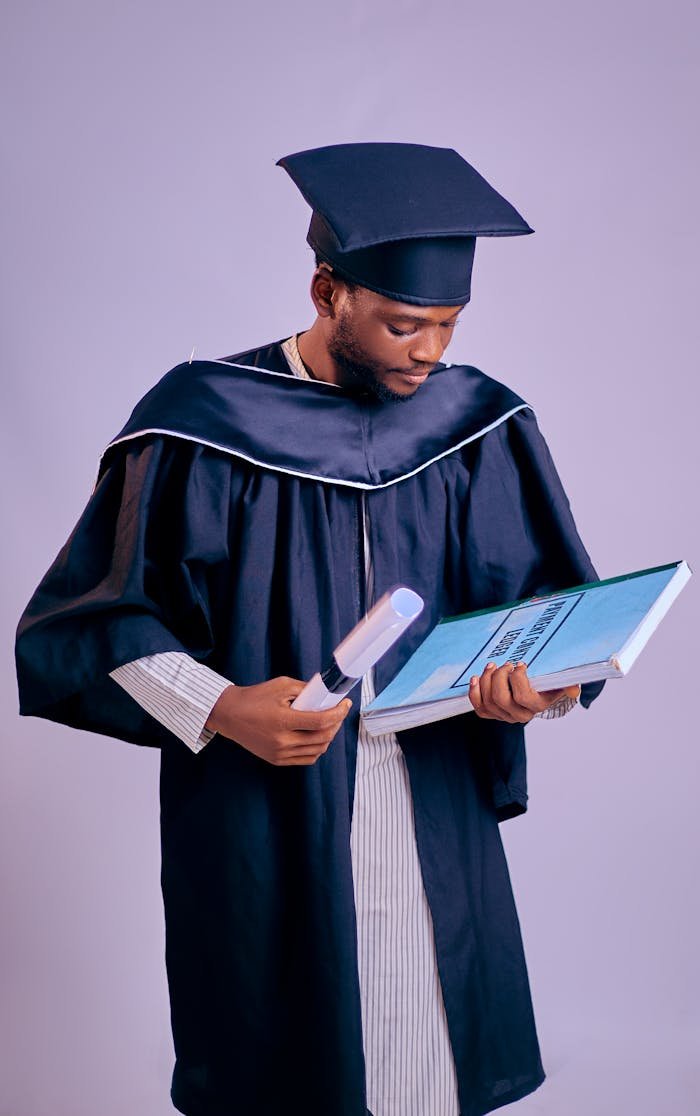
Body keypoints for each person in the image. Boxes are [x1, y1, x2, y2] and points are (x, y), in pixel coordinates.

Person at [16, 142, 603, 1116]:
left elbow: (544, 609)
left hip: (433, 805)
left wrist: (544, 685)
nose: (431, 353)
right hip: (263, 816)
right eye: (405, 324)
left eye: (448, 326)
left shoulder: (473, 425)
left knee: (427, 1056)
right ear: (328, 290)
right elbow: (97, 619)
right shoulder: (203, 421)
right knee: (275, 1061)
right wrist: (219, 705)